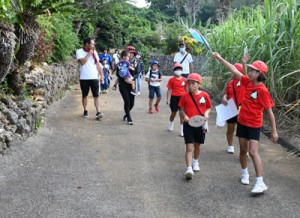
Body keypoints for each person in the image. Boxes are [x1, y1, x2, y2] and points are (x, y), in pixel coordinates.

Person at [212, 52, 278, 194]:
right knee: (242, 150)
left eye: (253, 70)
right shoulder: (248, 82)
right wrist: (220, 58)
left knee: (253, 152)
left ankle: (260, 182)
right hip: (242, 122)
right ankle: (244, 173)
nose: (250, 71)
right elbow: (234, 70)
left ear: (259, 73)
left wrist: (274, 131)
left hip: (254, 125)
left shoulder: (263, 91)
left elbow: (269, 112)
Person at [178, 73, 212, 179]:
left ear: (198, 84)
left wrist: (206, 113)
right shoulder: (184, 96)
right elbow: (181, 108)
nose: (190, 86)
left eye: (193, 83)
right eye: (189, 83)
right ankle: (189, 168)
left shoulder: (204, 95)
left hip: (200, 124)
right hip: (188, 124)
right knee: (189, 147)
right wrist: (185, 116)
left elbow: (208, 107)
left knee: (197, 145)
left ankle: (195, 161)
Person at [76, 37, 104, 120]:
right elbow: (82, 62)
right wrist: (89, 54)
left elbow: (98, 64)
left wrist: (101, 75)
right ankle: (85, 110)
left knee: (96, 95)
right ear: (87, 44)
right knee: (85, 95)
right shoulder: (79, 51)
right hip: (84, 77)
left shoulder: (94, 52)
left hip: (94, 76)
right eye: (92, 44)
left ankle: (98, 112)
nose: (93, 46)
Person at [222, 62, 246, 153]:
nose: (231, 74)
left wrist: (244, 64)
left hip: (241, 108)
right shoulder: (230, 83)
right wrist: (224, 98)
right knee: (230, 128)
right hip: (231, 108)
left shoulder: (244, 82)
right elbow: (227, 93)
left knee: (243, 130)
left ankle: (244, 149)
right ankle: (230, 145)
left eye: (233, 72)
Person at [116, 50, 137, 125]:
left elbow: (137, 73)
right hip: (123, 85)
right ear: (124, 56)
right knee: (127, 101)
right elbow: (118, 74)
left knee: (132, 103)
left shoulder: (134, 63)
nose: (130, 55)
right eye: (129, 54)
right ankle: (129, 118)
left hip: (131, 84)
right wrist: (125, 78)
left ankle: (126, 114)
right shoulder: (121, 64)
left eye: (131, 54)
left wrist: (132, 79)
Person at [166, 63, 187, 136]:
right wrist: (168, 99)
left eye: (180, 69)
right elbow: (169, 90)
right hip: (174, 98)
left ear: (182, 70)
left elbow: (187, 90)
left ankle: (182, 130)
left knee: (182, 114)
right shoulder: (171, 80)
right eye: (177, 69)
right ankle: (171, 123)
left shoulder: (185, 80)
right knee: (173, 113)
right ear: (174, 70)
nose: (178, 70)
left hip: (182, 98)